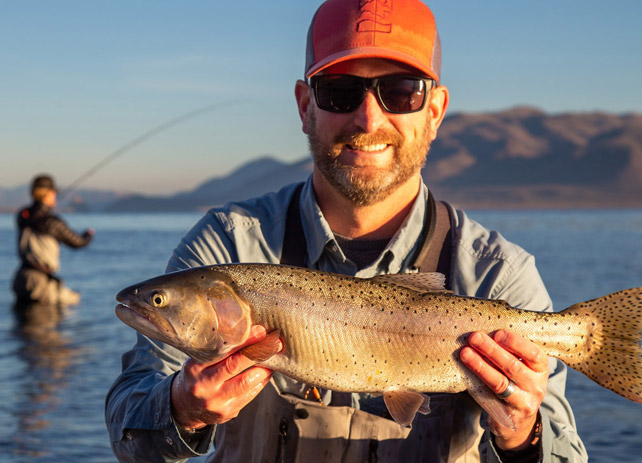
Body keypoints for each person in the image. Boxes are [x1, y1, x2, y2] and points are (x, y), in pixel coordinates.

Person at [106, 1, 587, 461]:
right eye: (339, 90)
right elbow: (128, 426)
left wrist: (523, 437)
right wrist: (182, 408)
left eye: (401, 91)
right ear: (304, 106)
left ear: (435, 110)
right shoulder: (228, 242)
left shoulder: (499, 274)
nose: (368, 118)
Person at [12, 174, 94, 307]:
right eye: (53, 193)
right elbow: (77, 242)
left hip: (21, 278)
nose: (55, 195)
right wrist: (88, 235)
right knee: (43, 324)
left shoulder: (23, 215)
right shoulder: (51, 222)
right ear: (47, 194)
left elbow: (34, 217)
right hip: (39, 282)